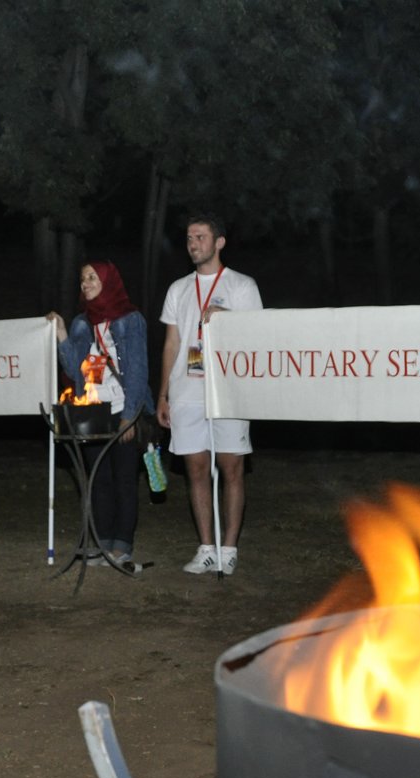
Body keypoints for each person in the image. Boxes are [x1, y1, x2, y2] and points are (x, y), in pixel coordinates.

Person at [158, 212, 262, 575]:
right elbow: (172, 343)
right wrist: (164, 394)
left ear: (219, 242)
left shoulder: (242, 286)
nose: (192, 244)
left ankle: (229, 548)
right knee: (196, 468)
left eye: (200, 237)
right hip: (187, 389)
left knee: (231, 468)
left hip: (229, 390)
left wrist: (226, 316)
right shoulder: (178, 289)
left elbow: (257, 337)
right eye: (189, 238)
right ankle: (206, 546)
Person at [48, 261, 153, 565]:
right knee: (98, 480)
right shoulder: (83, 323)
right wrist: (63, 335)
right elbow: (76, 373)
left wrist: (130, 416)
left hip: (123, 409)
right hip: (94, 412)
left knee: (124, 480)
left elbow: (137, 371)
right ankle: (102, 543)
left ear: (108, 281)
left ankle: (122, 546)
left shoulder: (130, 320)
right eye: (82, 279)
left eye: (92, 277)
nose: (85, 283)